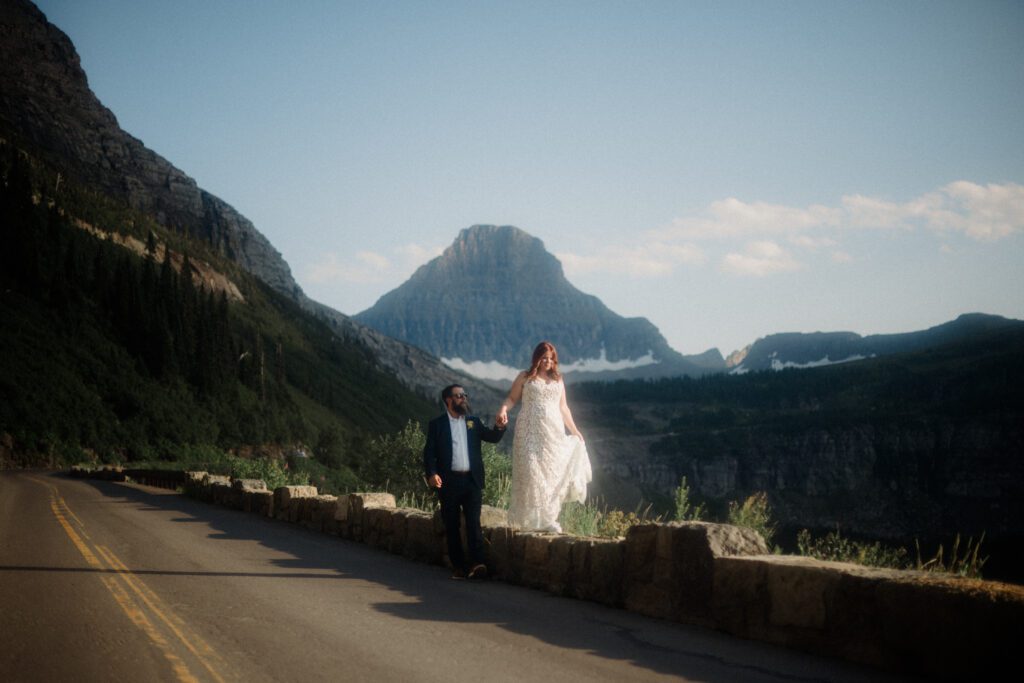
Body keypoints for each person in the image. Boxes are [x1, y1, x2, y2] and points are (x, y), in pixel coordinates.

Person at [496, 341, 591, 533]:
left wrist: (575, 430)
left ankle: (548, 519)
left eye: (551, 359)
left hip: (552, 433)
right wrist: (503, 409)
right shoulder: (525, 376)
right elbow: (512, 398)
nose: (548, 361)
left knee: (550, 475)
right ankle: (529, 520)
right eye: (544, 358)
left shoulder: (558, 379)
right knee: (531, 474)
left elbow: (563, 408)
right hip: (528, 432)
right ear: (537, 358)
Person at [423, 384, 505, 579]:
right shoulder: (437, 424)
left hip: (472, 481)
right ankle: (458, 566)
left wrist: (500, 426)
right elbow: (429, 453)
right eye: (459, 396)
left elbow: (492, 437)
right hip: (448, 482)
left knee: (474, 524)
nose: (463, 399)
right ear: (448, 400)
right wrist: (431, 474)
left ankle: (478, 564)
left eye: (464, 395)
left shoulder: (473, 422)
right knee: (451, 525)